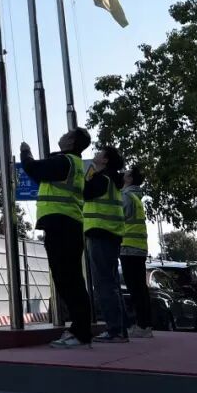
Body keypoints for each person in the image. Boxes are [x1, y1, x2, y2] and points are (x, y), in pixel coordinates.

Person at [20, 129, 93, 349]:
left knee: (67, 280)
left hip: (62, 224)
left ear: (71, 141)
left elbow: (34, 169)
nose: (62, 135)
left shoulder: (65, 162)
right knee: (70, 280)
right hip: (66, 224)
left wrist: (25, 153)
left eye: (67, 134)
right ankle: (80, 330)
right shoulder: (72, 163)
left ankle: (80, 332)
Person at [84, 144, 128, 343]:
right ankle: (120, 330)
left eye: (100, 153)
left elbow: (85, 192)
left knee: (104, 284)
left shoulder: (102, 179)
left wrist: (90, 173)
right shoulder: (113, 180)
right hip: (111, 233)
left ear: (105, 160)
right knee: (112, 283)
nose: (96, 154)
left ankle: (114, 330)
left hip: (101, 232)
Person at [120, 166, 152, 338]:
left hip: (128, 247)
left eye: (126, 173)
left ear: (130, 179)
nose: (122, 174)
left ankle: (141, 325)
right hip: (139, 247)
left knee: (135, 288)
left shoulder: (126, 196)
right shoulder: (136, 197)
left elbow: (120, 217)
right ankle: (145, 325)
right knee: (140, 288)